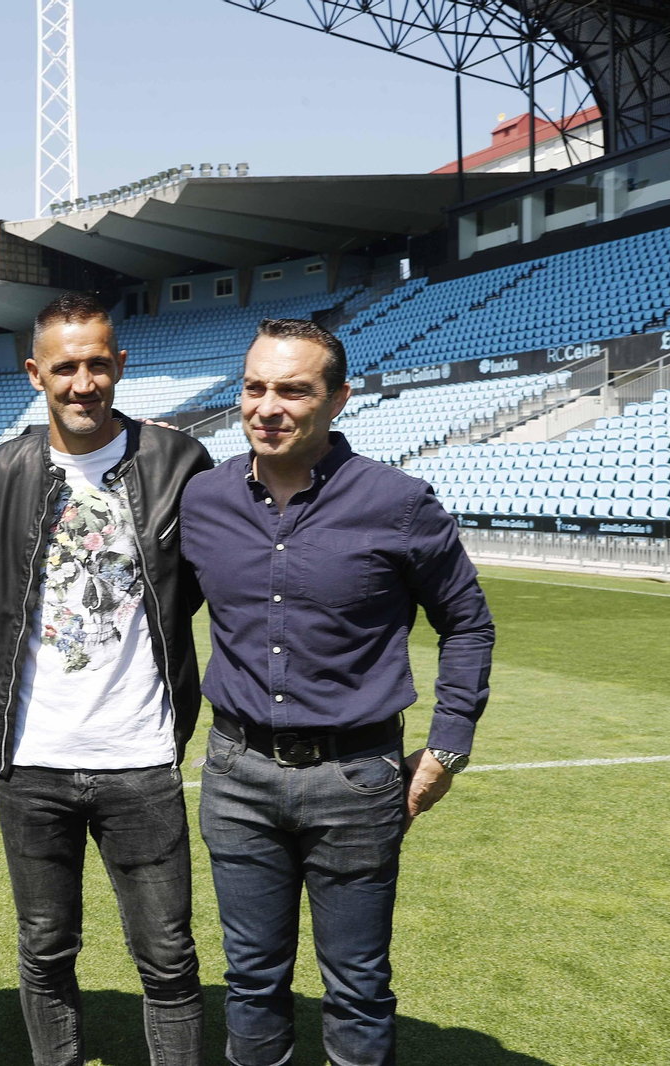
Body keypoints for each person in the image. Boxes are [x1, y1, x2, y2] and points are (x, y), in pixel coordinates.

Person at [181, 318, 495, 1066]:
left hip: (355, 780)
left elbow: (468, 624)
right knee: (251, 982)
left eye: (293, 389)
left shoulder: (399, 502)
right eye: (254, 388)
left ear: (339, 398)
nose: (267, 406)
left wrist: (448, 746)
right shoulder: (204, 499)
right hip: (236, 774)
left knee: (357, 986)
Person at [0, 292, 214, 1066]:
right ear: (34, 372)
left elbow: (204, 580)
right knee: (45, 951)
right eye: (65, 367)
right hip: (32, 756)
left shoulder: (177, 460)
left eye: (97, 365)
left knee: (168, 957)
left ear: (120, 367)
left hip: (140, 756)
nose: (83, 383)